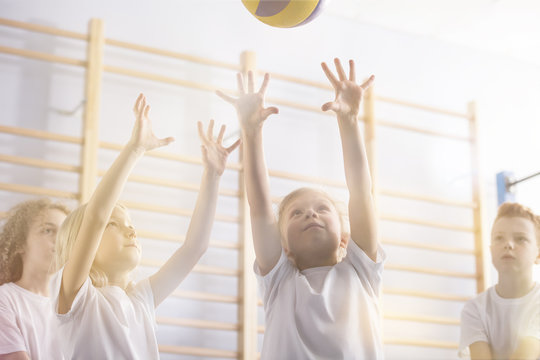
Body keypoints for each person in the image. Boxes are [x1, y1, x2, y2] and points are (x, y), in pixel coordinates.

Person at [217, 58, 386, 359]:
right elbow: (259, 207)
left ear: (344, 239)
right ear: (284, 246)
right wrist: (251, 133)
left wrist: (348, 122)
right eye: (296, 213)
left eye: (322, 208)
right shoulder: (280, 280)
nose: (311, 213)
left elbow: (361, 192)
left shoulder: (361, 270)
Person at [52, 94, 240, 359]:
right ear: (81, 242)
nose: (131, 231)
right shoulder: (75, 297)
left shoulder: (141, 300)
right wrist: (135, 149)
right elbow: (95, 216)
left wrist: (212, 176)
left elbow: (194, 247)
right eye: (113, 225)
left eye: (130, 225)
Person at [459, 202, 540, 360]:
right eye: (499, 238)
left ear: (538, 252)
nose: (508, 244)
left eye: (521, 239)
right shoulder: (474, 309)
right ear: (490, 250)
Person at [0, 198, 69, 359]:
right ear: (20, 244)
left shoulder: (76, 305)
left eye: (65, 232)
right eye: (47, 230)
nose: (59, 239)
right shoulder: (5, 299)